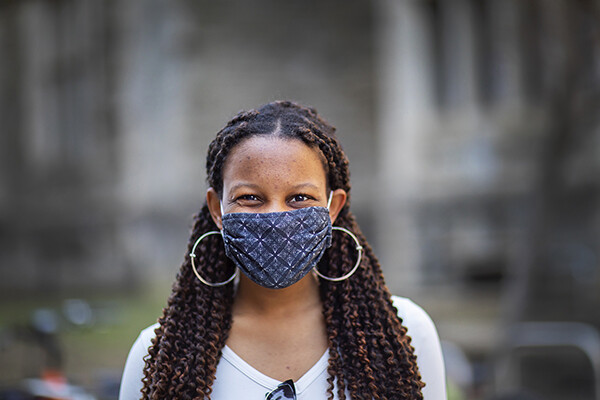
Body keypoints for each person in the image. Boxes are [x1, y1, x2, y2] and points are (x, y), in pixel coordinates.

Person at [119, 101, 446, 399]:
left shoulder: (406, 333)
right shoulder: (161, 354)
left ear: (333, 208)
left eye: (300, 198)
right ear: (217, 209)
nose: (276, 217)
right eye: (250, 197)